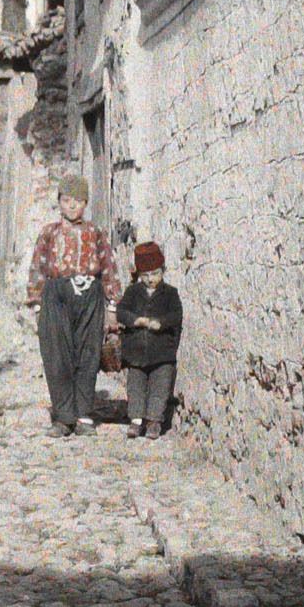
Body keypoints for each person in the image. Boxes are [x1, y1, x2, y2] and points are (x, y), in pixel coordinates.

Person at [25, 175, 120, 439]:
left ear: (86, 203)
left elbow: (109, 268)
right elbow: (37, 268)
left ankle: (84, 414)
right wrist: (37, 304)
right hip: (56, 295)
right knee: (57, 356)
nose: (72, 206)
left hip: (90, 295)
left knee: (88, 355)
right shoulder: (49, 233)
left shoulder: (95, 233)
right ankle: (63, 417)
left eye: (77, 201)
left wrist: (111, 305)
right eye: (66, 200)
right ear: (59, 202)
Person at [115, 241, 182, 440]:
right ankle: (136, 421)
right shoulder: (132, 292)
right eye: (145, 275)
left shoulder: (170, 293)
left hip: (162, 352)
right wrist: (136, 320)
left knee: (160, 386)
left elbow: (176, 315)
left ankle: (154, 421)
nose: (150, 279)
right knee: (135, 386)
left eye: (154, 273)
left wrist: (160, 323)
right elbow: (121, 312)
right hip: (136, 351)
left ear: (162, 271)